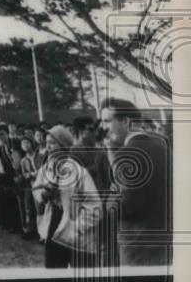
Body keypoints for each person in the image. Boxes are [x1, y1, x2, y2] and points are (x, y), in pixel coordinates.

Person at [101, 98, 170, 266]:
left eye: (107, 121)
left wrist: (109, 199)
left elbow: (122, 209)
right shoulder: (163, 146)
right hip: (166, 247)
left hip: (138, 253)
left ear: (126, 122)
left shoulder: (127, 154)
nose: (103, 128)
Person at [33, 125, 102, 269]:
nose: (48, 147)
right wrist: (43, 195)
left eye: (52, 143)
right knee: (53, 276)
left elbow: (95, 207)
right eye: (46, 143)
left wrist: (75, 229)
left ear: (63, 146)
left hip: (76, 233)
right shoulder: (46, 169)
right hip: (53, 229)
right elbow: (36, 189)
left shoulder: (79, 173)